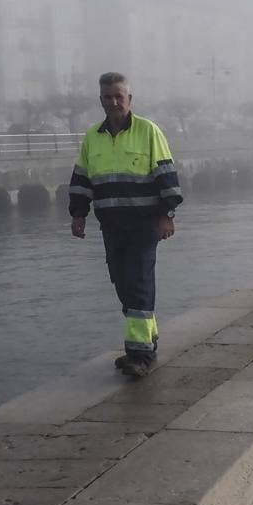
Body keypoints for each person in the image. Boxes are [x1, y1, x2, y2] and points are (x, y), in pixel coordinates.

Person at [68, 72, 183, 378]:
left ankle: (140, 355)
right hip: (112, 226)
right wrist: (78, 214)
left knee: (137, 282)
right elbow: (82, 179)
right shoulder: (93, 137)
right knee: (122, 282)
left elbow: (166, 175)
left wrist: (166, 215)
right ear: (101, 100)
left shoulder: (148, 131)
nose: (114, 102)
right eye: (108, 97)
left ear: (130, 99)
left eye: (119, 96)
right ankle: (148, 336)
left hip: (144, 224)